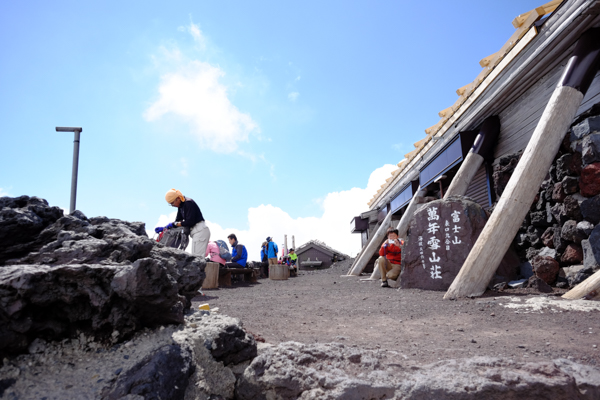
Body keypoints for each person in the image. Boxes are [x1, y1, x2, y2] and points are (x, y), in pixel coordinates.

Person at [165, 189, 211, 257]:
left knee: (197, 258)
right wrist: (167, 227)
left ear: (178, 198)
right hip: (195, 232)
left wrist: (176, 224)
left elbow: (190, 222)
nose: (172, 205)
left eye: (172, 203)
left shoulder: (188, 203)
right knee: (195, 258)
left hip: (200, 230)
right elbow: (178, 220)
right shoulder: (181, 206)